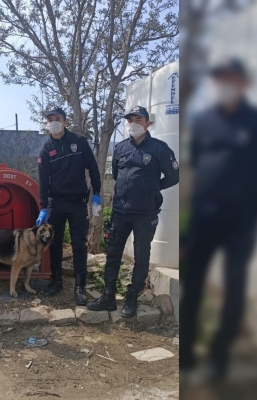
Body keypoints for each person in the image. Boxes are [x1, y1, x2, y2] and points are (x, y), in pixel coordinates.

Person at [180, 58, 257, 380]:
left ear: (244, 83)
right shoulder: (204, 121)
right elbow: (197, 165)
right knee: (193, 285)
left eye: (231, 78)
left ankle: (219, 357)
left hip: (241, 218)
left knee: (234, 287)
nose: (225, 85)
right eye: (220, 79)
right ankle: (185, 352)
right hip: (203, 216)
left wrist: (255, 180)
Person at [87, 106, 179, 317]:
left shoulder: (159, 149)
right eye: (130, 120)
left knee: (141, 256)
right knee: (113, 254)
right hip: (120, 212)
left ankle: (132, 297)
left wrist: (153, 189)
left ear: (148, 123)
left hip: (145, 214)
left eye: (139, 119)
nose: (134, 123)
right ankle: (108, 296)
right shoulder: (120, 148)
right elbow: (117, 174)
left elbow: (174, 176)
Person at [36, 106, 102, 302]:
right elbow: (43, 180)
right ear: (47, 123)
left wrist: (97, 193)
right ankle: (56, 281)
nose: (54, 122)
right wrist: (43, 207)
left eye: (58, 118)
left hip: (77, 202)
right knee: (54, 243)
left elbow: (93, 167)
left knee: (79, 245)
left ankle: (80, 287)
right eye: (50, 119)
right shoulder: (46, 149)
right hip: (56, 202)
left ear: (65, 121)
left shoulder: (79, 141)